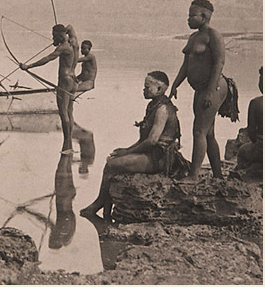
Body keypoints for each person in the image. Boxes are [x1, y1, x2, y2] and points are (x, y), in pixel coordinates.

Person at [80, 71, 189, 220]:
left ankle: (99, 204)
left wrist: (127, 152)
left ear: (159, 88)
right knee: (112, 161)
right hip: (152, 154)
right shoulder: (153, 106)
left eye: (147, 87)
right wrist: (125, 150)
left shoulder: (162, 109)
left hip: (160, 159)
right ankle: (105, 213)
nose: (143, 90)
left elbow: (152, 141)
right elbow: (143, 140)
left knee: (112, 165)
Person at [168, 0, 239, 180]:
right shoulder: (193, 38)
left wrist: (209, 91)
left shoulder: (213, 35)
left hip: (213, 86)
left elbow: (219, 63)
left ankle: (193, 176)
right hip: (200, 89)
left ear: (205, 16)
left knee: (199, 131)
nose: (188, 19)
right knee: (208, 133)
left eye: (192, 15)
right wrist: (175, 84)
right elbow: (186, 65)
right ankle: (217, 175)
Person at [20, 24, 78, 152]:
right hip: (73, 81)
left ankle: (67, 143)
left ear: (60, 35)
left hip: (64, 81)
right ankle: (69, 144)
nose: (52, 37)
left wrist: (28, 66)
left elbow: (47, 59)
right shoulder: (74, 42)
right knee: (69, 111)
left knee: (63, 112)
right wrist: (62, 35)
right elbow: (70, 27)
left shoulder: (63, 47)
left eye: (53, 35)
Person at [236, 67, 262, 173]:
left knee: (242, 150)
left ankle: (253, 169)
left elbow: (252, 133)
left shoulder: (255, 103)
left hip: (261, 148)